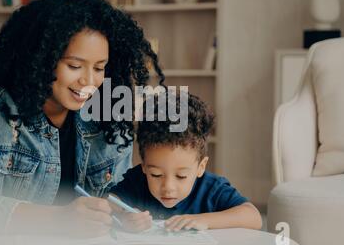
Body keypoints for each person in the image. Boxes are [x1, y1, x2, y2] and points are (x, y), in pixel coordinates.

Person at [0, 0, 164, 236]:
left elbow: (119, 198)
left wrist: (123, 215)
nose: (89, 81)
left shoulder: (110, 117)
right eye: (75, 66)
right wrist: (57, 219)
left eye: (100, 68)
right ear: (41, 59)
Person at [109, 92, 262, 232]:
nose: (168, 187)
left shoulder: (211, 189)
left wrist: (203, 220)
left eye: (181, 176)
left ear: (200, 167)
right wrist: (123, 218)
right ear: (144, 166)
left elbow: (254, 217)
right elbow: (108, 204)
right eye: (156, 174)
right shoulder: (136, 182)